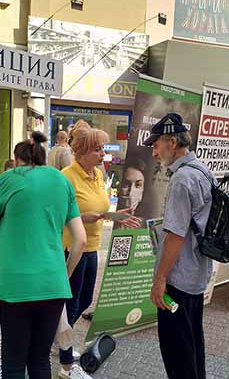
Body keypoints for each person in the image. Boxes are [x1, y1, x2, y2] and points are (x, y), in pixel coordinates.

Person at [0, 131, 87, 379]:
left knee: (12, 364)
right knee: (40, 360)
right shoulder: (61, 180)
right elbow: (81, 240)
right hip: (54, 286)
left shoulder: (8, 179)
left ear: (18, 158)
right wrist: (64, 274)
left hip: (16, 287)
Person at [59, 127, 141, 379]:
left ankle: (63, 342)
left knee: (83, 302)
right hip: (72, 248)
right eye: (97, 149)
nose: (102, 153)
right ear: (80, 152)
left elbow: (101, 208)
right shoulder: (66, 177)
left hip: (92, 247)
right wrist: (86, 217)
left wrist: (109, 215)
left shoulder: (96, 174)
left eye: (103, 148)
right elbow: (60, 214)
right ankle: (65, 366)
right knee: (70, 306)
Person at [144, 113, 214, 379]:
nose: (154, 152)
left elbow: (175, 236)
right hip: (195, 275)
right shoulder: (201, 169)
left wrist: (160, 279)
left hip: (179, 280)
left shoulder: (182, 179)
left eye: (156, 145)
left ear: (172, 142)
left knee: (177, 352)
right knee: (192, 343)